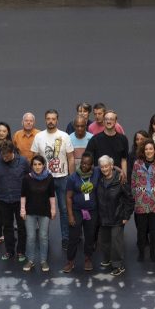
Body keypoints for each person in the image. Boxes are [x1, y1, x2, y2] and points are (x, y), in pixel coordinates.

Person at [30, 109, 75, 250]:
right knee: (44, 210)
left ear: (57, 120)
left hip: (62, 178)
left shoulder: (65, 136)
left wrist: (72, 177)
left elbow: (71, 158)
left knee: (63, 209)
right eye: (48, 118)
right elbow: (34, 157)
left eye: (53, 118)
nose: (51, 121)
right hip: (44, 179)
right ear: (45, 119)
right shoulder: (39, 136)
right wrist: (35, 176)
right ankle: (45, 239)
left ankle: (66, 238)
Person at [95, 155, 134, 276]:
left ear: (111, 166)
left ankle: (118, 265)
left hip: (117, 217)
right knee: (104, 241)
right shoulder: (98, 179)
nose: (104, 169)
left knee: (116, 243)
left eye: (107, 166)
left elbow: (129, 199)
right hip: (103, 217)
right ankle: (107, 259)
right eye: (102, 167)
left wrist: (126, 216)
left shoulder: (120, 180)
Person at [0, 141, 29, 263]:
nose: (4, 157)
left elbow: (29, 179)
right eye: (3, 154)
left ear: (13, 152)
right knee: (7, 227)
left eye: (7, 155)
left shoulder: (23, 162)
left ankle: (21, 251)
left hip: (20, 200)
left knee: (22, 227)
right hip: (3, 200)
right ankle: (9, 250)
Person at [63, 152, 99, 272]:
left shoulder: (96, 173)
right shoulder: (73, 177)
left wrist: (121, 171)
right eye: (82, 163)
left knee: (90, 236)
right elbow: (68, 197)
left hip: (92, 211)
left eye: (87, 164)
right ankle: (70, 261)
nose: (84, 165)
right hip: (77, 210)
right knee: (73, 237)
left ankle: (88, 259)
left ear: (92, 165)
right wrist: (70, 216)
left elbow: (110, 165)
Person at [20, 154, 56, 273]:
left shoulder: (49, 178)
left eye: (39, 164)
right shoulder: (26, 178)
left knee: (43, 236)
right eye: (35, 164)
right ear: (31, 166)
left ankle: (43, 260)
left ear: (44, 165)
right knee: (30, 237)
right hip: (30, 212)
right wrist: (22, 210)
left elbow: (52, 195)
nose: (37, 167)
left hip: (44, 211)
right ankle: (30, 260)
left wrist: (53, 210)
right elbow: (23, 196)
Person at [131, 140, 155, 262]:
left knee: (153, 228)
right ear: (143, 151)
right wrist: (136, 197)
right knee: (141, 229)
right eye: (146, 149)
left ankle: (152, 253)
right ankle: (141, 253)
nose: (149, 151)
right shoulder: (137, 164)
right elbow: (133, 181)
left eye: (151, 149)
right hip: (141, 200)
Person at [87, 110, 129, 182]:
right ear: (103, 121)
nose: (108, 121)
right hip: (99, 179)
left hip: (117, 178)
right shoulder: (95, 139)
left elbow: (124, 160)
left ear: (116, 121)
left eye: (111, 119)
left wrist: (124, 176)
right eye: (106, 119)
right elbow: (89, 160)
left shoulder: (123, 139)